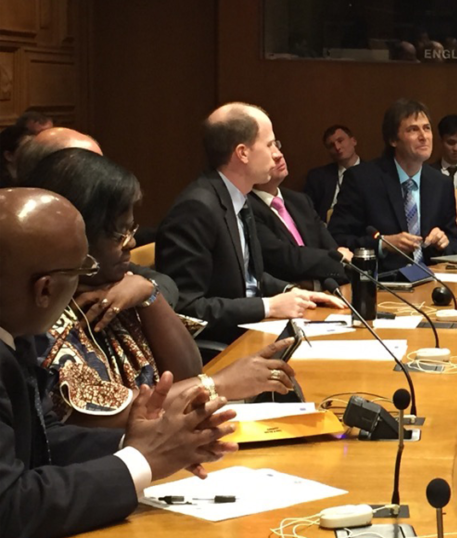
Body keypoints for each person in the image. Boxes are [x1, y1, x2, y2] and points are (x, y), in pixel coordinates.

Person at [0, 187, 243, 537]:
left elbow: (45, 438)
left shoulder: (16, 332)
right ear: (45, 290)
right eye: (82, 268)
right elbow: (10, 508)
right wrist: (140, 461)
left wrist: (142, 443)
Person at [23, 149, 301, 426]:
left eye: (131, 230)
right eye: (118, 234)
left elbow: (188, 371)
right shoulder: (43, 313)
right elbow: (98, 416)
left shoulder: (118, 283)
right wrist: (216, 384)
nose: (131, 243)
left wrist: (149, 295)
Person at [157, 102, 344, 344]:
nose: (276, 153)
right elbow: (186, 308)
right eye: (269, 144)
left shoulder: (239, 198)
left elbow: (249, 278)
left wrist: (293, 292)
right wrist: (268, 306)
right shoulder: (197, 208)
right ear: (242, 153)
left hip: (252, 331)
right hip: (224, 345)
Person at [14, 126, 180, 309]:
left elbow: (164, 283)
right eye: (84, 167)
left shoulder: (106, 263)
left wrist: (146, 290)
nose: (102, 174)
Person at [328, 99, 457, 272]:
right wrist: (383, 244)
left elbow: (456, 245)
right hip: (384, 280)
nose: (424, 137)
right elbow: (336, 239)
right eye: (413, 129)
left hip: (433, 278)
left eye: (427, 128)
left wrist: (444, 243)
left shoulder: (441, 184)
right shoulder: (362, 180)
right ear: (393, 140)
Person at [251, 151, 352, 284]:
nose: (278, 155)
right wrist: (336, 258)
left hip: (326, 289)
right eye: (268, 150)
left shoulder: (300, 200)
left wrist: (337, 258)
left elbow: (332, 249)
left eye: (276, 145)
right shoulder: (247, 208)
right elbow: (285, 258)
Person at [304, 124, 360, 222]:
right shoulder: (317, 177)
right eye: (331, 146)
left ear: (353, 141)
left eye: (340, 141)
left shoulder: (373, 173)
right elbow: (307, 212)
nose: (337, 147)